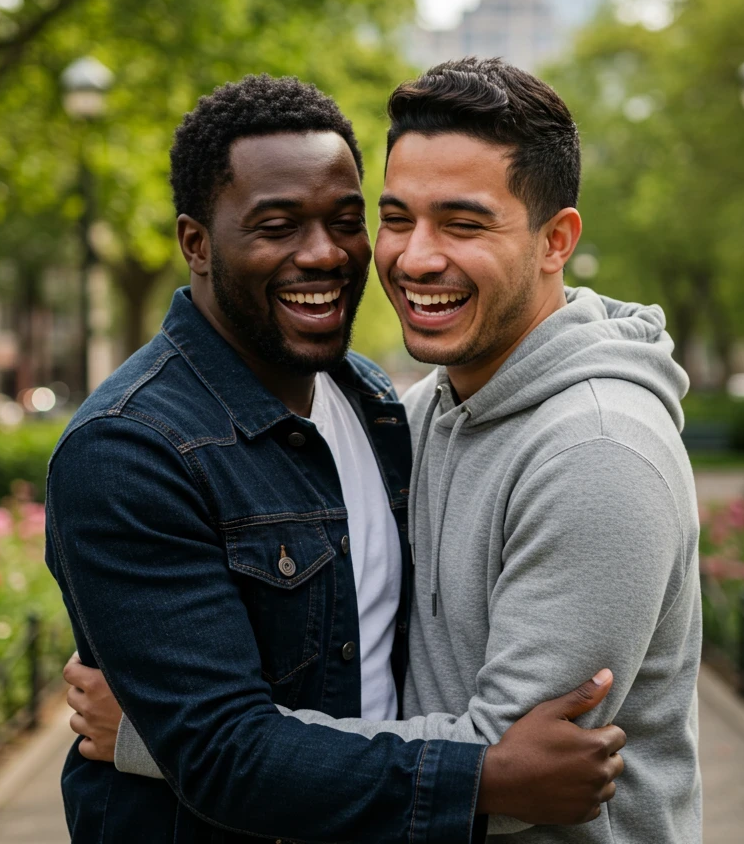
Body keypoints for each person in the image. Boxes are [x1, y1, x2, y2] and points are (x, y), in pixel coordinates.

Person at [68, 59, 703, 842]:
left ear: (555, 241)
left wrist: (155, 740)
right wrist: (191, 737)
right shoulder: (415, 409)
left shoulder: (598, 453)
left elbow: (515, 778)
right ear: (196, 243)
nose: (413, 258)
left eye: (463, 224)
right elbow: (398, 710)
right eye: (397, 217)